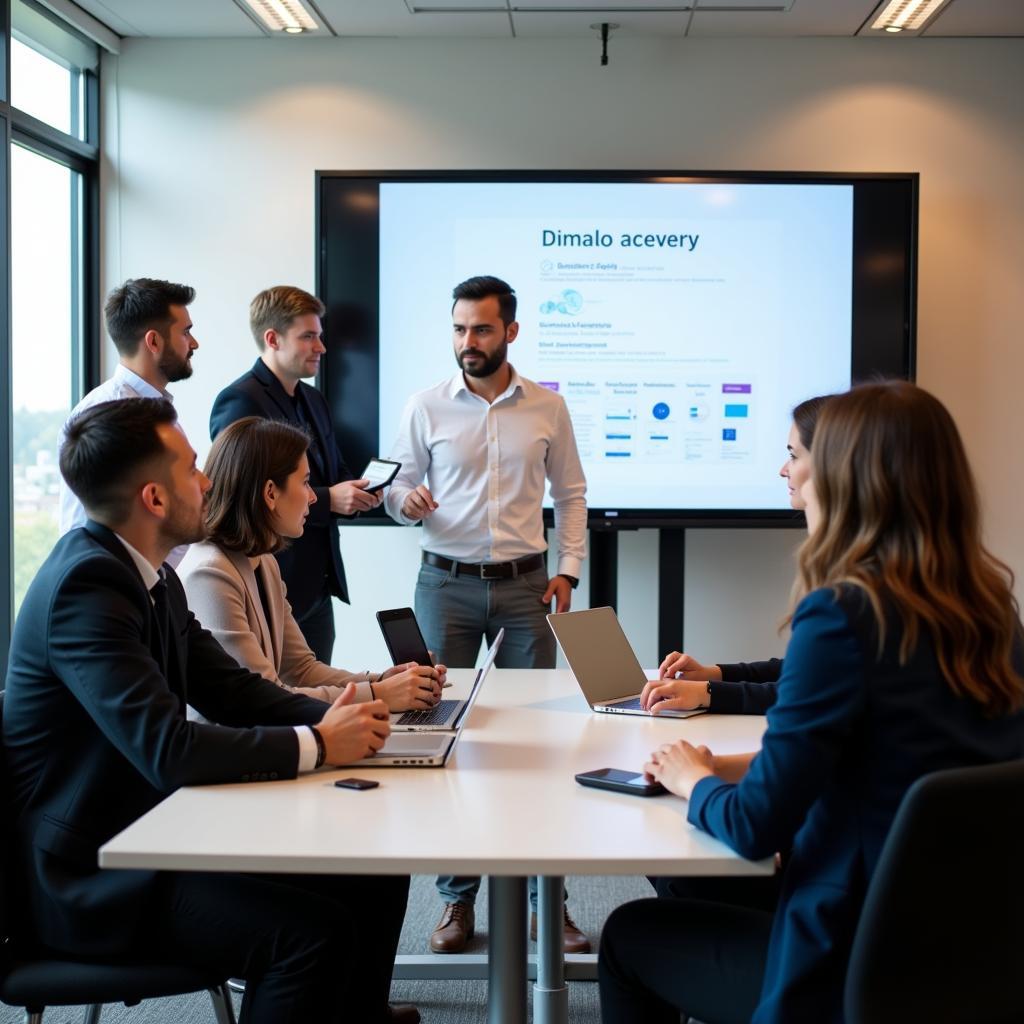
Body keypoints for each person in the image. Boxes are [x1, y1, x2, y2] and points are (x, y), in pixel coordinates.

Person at [599, 381, 1024, 1024]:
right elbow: (890, 755)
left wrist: (692, 779)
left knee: (631, 934)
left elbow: (753, 829)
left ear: (847, 476)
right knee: (685, 879)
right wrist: (730, 765)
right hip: (968, 947)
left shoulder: (843, 614)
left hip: (845, 961)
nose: (783, 468)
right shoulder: (992, 612)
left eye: (795, 454)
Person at [4, 398, 418, 1024]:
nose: (209, 483)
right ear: (155, 498)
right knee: (307, 936)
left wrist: (343, 721)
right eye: (194, 468)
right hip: (93, 875)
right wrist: (320, 744)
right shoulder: (86, 588)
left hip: (154, 832)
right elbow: (167, 749)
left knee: (372, 871)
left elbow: (236, 690)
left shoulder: (149, 577)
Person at [383, 275, 589, 954]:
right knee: (444, 738)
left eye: (481, 329)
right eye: (458, 329)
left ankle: (545, 903)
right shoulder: (426, 405)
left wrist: (569, 570)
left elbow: (573, 493)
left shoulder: (549, 408)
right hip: (445, 587)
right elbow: (397, 483)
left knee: (537, 740)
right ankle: (454, 902)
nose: (467, 342)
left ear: (510, 332)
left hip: (528, 588)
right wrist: (403, 500)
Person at [179, 416, 446, 710]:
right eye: (306, 483)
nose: (312, 497)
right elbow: (264, 696)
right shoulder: (211, 574)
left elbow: (301, 670)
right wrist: (380, 694)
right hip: (234, 748)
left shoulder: (262, 560)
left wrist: (382, 680)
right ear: (270, 493)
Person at [210, 285, 376, 663]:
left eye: (320, 336)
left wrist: (356, 491)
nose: (321, 347)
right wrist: (330, 499)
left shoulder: (313, 398)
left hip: (317, 585)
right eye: (309, 336)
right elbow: (242, 493)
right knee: (278, 701)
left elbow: (335, 469)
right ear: (273, 338)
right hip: (272, 574)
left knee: (316, 687)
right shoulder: (240, 400)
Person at [644, 395, 831, 718]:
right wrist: (715, 675)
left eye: (793, 456)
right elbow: (808, 671)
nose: (783, 470)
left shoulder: (851, 594)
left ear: (833, 466)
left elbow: (809, 696)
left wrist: (707, 693)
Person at [58, 278, 199, 556]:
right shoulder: (105, 413)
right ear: (154, 341)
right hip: (124, 587)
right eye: (186, 332)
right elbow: (82, 529)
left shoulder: (154, 407)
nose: (195, 343)